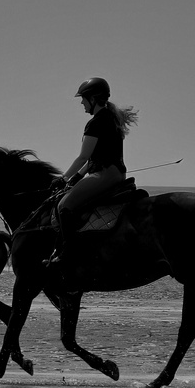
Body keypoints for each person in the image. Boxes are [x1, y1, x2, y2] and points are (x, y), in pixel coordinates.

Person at [49, 76, 138, 265]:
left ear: (93, 99)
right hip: (113, 172)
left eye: (83, 98)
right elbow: (92, 159)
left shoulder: (96, 122)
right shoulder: (110, 118)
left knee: (64, 206)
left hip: (105, 174)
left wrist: (63, 178)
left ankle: (68, 254)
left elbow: (83, 157)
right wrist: (77, 177)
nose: (81, 102)